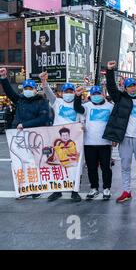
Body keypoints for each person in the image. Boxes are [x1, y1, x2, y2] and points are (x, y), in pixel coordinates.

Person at [103, 61, 136, 204]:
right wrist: (110, 70)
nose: (132, 88)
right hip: (124, 137)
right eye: (129, 86)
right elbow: (112, 87)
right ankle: (126, 191)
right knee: (125, 166)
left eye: (134, 85)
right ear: (125, 88)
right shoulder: (121, 98)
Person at [0, 68, 51, 199]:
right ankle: (23, 188)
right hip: (19, 136)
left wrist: (25, 125)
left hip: (35, 136)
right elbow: (10, 92)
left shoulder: (42, 101)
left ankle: (35, 188)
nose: (28, 90)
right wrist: (4, 78)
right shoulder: (20, 100)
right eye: (26, 88)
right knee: (19, 163)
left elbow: (44, 118)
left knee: (34, 163)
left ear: (35, 90)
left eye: (30, 88)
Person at [39, 72, 83, 203]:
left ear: (74, 92)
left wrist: (83, 127)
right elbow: (47, 92)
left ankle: (75, 192)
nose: (68, 93)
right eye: (66, 91)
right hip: (57, 139)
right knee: (57, 164)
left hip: (74, 139)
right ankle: (57, 190)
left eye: (71, 91)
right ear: (61, 93)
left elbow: (82, 118)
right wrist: (44, 81)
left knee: (75, 165)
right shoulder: (56, 102)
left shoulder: (78, 104)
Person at [74, 86, 114, 201]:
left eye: (98, 93)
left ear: (102, 94)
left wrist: (115, 138)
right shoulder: (87, 106)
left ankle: (107, 188)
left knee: (106, 167)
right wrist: (77, 96)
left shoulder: (110, 107)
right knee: (91, 168)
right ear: (90, 95)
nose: (96, 96)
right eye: (94, 94)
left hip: (105, 143)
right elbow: (77, 108)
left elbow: (114, 122)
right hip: (89, 142)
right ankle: (94, 188)